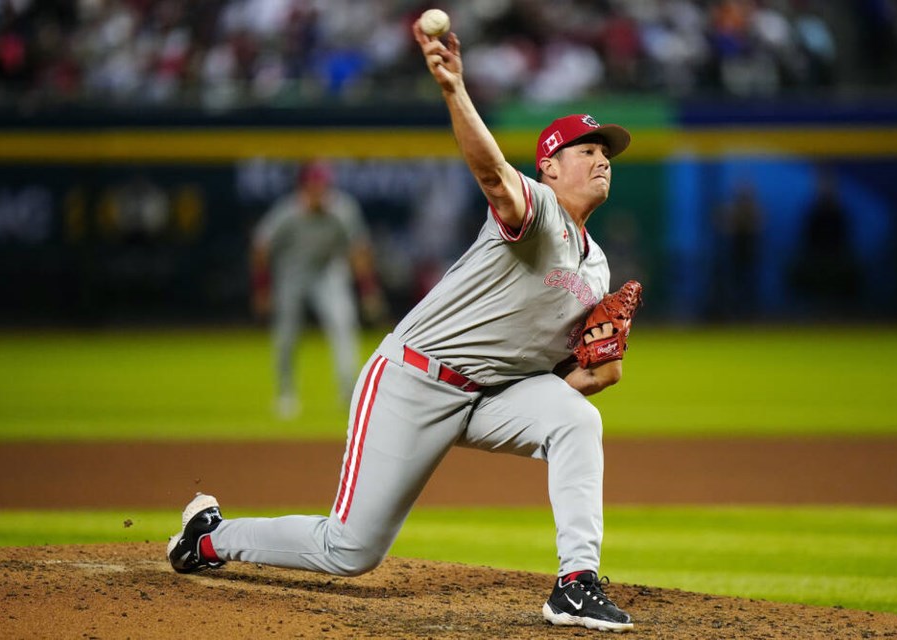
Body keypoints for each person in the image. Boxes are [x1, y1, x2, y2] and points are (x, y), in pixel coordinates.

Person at [169, 18, 637, 633]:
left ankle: (576, 584)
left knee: (578, 421)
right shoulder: (539, 208)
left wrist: (596, 374)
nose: (602, 159)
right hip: (413, 381)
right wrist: (452, 89)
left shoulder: (597, 266)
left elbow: (554, 377)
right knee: (350, 550)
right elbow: (493, 173)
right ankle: (208, 536)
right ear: (549, 168)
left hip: (489, 395)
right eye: (587, 151)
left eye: (606, 153)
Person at [250, 159, 385, 417]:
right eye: (314, 186)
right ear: (303, 188)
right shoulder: (288, 211)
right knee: (286, 335)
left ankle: (348, 393)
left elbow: (358, 250)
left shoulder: (342, 209)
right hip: (292, 273)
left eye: (323, 186)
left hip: (328, 273)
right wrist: (262, 288)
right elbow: (261, 247)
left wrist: (368, 289)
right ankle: (285, 392)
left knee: (344, 324)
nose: (320, 192)